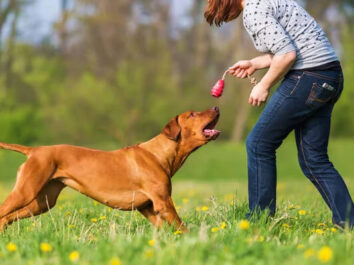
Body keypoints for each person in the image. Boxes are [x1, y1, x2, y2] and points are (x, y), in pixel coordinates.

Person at [204, 0, 354, 228]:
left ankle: (259, 221)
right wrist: (255, 63)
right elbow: (292, 46)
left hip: (308, 77)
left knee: (259, 144)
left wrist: (263, 85)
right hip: (330, 75)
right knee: (315, 160)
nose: (223, 15)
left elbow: (287, 54)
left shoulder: (253, 10)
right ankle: (349, 223)